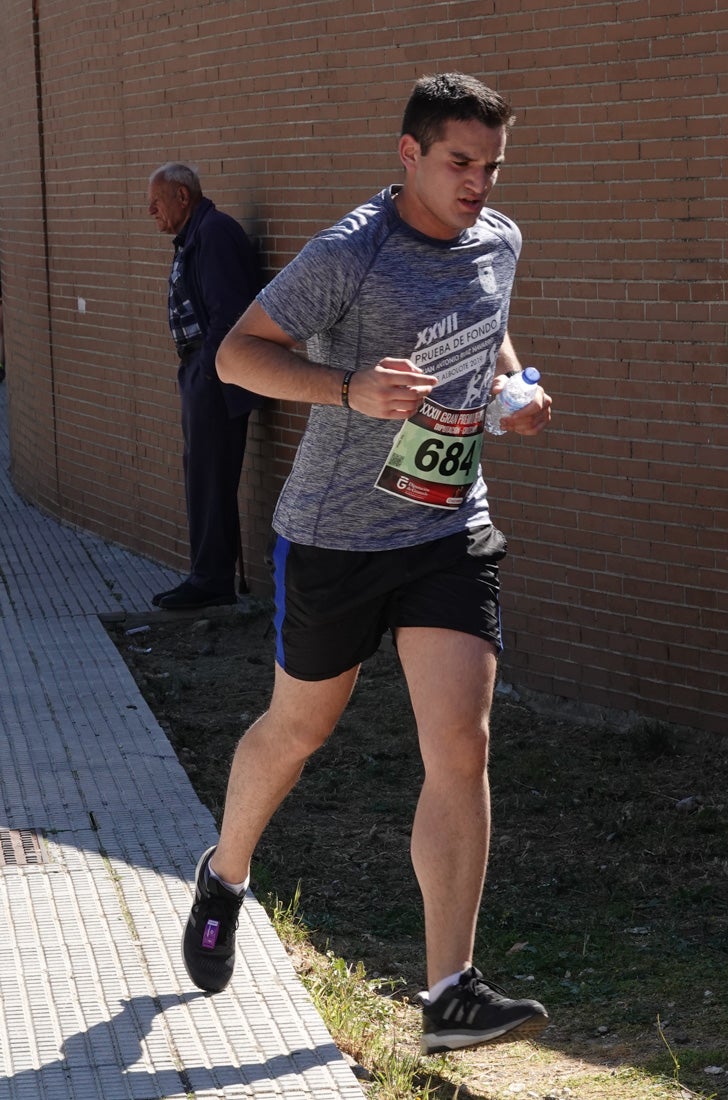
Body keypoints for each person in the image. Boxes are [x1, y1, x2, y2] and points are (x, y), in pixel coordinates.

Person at [181, 73, 553, 1054]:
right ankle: (224, 869)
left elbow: (491, 324)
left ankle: (449, 992)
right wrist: (349, 389)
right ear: (410, 153)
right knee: (298, 727)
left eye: (491, 166)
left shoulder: (500, 238)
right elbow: (236, 353)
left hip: (446, 528)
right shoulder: (353, 250)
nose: (477, 183)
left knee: (462, 743)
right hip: (336, 535)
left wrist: (514, 386)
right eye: (458, 163)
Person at [146, 163, 263, 609]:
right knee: (203, 474)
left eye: (156, 201)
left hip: (215, 376)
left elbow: (228, 314)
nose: (149, 210)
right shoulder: (198, 234)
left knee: (211, 476)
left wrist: (210, 375)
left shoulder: (213, 234)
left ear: (182, 195)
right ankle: (207, 574)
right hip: (203, 373)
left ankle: (211, 581)